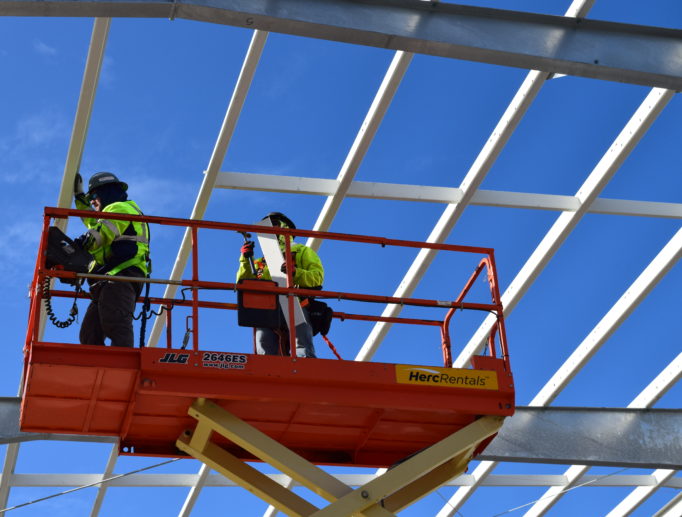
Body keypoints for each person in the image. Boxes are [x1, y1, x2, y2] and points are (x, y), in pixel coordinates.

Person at [73, 172, 150, 347]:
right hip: (109, 279)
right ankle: (94, 368)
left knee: (116, 323)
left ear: (106, 192)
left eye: (94, 196)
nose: (92, 201)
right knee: (89, 333)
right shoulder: (109, 212)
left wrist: (80, 243)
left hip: (123, 274)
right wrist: (79, 198)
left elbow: (101, 233)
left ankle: (122, 364)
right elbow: (92, 221)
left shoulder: (120, 208)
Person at [236, 212, 323, 358]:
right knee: (264, 343)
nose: (270, 228)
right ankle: (268, 373)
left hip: (295, 302)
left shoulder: (302, 251)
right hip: (266, 307)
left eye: (274, 224)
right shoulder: (259, 262)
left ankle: (305, 367)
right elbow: (242, 284)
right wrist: (245, 260)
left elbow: (317, 278)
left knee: (301, 342)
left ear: (284, 228)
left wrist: (295, 273)